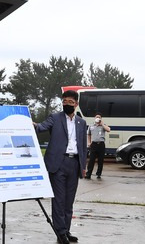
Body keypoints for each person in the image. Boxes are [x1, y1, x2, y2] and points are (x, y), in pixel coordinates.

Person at [34, 90, 87, 244]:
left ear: (76, 104)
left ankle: (66, 229)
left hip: (74, 163)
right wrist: (33, 124)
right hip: (58, 164)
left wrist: (83, 166)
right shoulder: (55, 118)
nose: (67, 105)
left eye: (70, 102)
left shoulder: (81, 122)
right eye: (64, 102)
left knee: (69, 201)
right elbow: (42, 127)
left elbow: (83, 146)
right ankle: (60, 232)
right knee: (58, 200)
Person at [85, 112, 110, 179]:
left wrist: (102, 124)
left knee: (100, 160)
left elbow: (108, 130)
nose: (97, 118)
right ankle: (88, 174)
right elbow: (89, 134)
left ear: (101, 118)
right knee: (91, 160)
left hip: (101, 144)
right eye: (96, 117)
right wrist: (89, 142)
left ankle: (98, 174)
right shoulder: (91, 126)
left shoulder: (103, 125)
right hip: (94, 144)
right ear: (94, 118)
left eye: (99, 117)